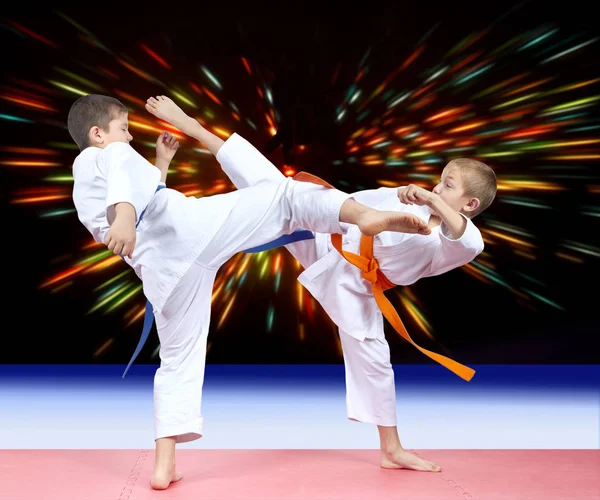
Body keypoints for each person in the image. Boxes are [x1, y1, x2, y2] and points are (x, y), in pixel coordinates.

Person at [67, 94, 432, 489]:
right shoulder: (98, 157)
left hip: (162, 272)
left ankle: (164, 464)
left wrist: (161, 166)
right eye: (124, 128)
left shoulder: (88, 184)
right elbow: (122, 174)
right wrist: (123, 214)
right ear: (97, 134)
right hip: (188, 229)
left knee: (177, 360)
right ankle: (362, 215)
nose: (129, 137)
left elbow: (141, 196)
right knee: (285, 195)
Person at [144, 94, 497, 474]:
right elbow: (356, 201)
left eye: (448, 185)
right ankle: (193, 126)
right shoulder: (416, 207)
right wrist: (399, 196)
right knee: (273, 185)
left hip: (357, 284)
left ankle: (391, 449)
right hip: (325, 235)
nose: (437, 188)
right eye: (440, 180)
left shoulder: (458, 242)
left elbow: (465, 236)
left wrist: (429, 198)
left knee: (375, 360)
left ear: (470, 204)